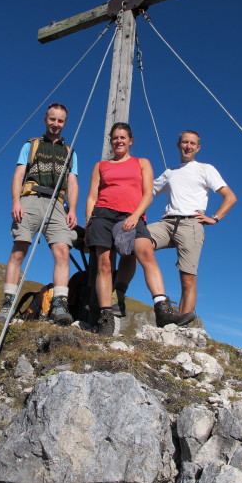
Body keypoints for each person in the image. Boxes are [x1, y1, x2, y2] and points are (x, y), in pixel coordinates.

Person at [116, 130, 237, 326]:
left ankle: (182, 325)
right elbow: (146, 191)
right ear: (178, 144)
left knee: (187, 279)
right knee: (133, 242)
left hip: (191, 224)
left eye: (192, 143)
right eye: (184, 142)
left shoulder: (206, 169)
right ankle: (118, 296)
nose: (188, 146)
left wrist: (215, 218)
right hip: (166, 223)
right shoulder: (170, 173)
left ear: (198, 148)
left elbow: (230, 197)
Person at [85, 122, 176, 336]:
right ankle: (106, 316)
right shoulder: (101, 166)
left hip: (132, 215)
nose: (118, 141)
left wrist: (135, 216)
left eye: (123, 137)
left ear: (130, 141)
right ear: (111, 141)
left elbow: (148, 193)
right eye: (115, 137)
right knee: (105, 264)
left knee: (145, 252)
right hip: (102, 215)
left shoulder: (142, 163)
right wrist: (88, 223)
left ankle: (162, 307)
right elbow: (92, 196)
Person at [0, 103, 78, 326]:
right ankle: (7, 303)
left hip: (57, 203)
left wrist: (73, 210)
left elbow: (72, 181)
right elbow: (19, 173)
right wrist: (16, 201)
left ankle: (60, 303)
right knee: (19, 248)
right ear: (46, 119)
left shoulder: (70, 152)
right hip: (30, 198)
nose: (56, 124)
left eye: (60, 121)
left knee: (62, 250)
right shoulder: (31, 145)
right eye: (52, 119)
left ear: (65, 123)